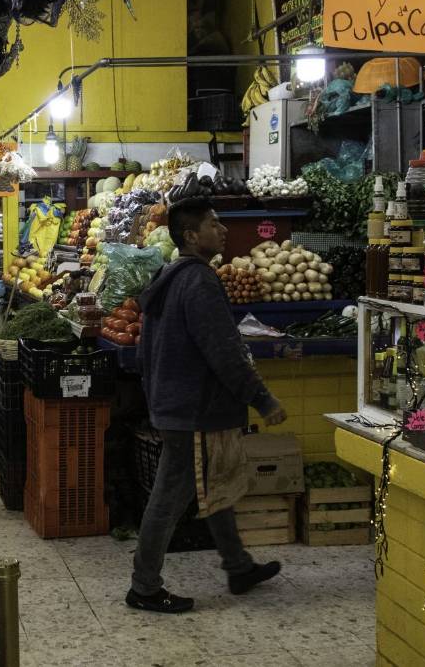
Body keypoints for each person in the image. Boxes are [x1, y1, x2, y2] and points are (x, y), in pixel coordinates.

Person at [128, 198, 287, 613]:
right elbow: (224, 350)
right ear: (191, 236)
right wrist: (262, 399)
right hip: (192, 408)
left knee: (215, 484)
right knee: (169, 497)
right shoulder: (198, 281)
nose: (223, 230)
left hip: (175, 402)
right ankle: (144, 587)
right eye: (214, 225)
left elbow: (148, 350)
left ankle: (238, 566)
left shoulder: (170, 276)